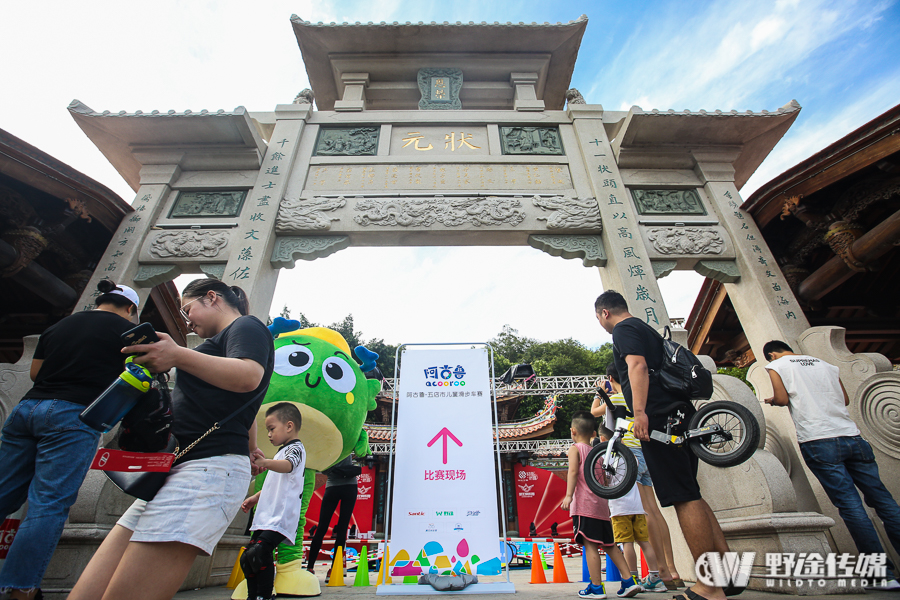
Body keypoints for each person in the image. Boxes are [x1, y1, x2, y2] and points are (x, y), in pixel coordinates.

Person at [69, 279, 275, 600]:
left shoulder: (246, 326)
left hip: (207, 472)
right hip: (178, 469)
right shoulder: (219, 343)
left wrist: (177, 354)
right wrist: (251, 450)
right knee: (88, 592)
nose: (187, 320)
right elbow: (247, 406)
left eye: (188, 309)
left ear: (212, 297)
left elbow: (248, 376)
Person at [0, 279, 139, 600]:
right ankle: (21, 589)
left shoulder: (60, 326)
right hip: (74, 416)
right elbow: (131, 375)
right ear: (130, 308)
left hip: (26, 410)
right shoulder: (127, 333)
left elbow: (36, 372)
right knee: (48, 504)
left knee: (4, 493)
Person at [595, 290, 729, 600]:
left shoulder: (624, 330)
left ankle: (709, 587)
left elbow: (637, 366)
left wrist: (639, 412)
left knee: (682, 496)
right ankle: (726, 575)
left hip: (659, 419)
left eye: (599, 319)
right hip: (680, 414)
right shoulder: (645, 329)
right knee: (692, 493)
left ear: (604, 313)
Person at [763, 340, 900, 589]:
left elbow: (783, 399)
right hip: (852, 437)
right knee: (884, 502)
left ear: (771, 354)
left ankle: (882, 575)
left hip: (818, 440)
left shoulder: (777, 366)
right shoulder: (825, 364)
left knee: (852, 508)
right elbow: (844, 398)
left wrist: (773, 400)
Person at [592, 365, 679, 592]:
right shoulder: (640, 397)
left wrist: (600, 392)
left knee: (646, 513)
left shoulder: (619, 398)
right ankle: (670, 569)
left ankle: (658, 572)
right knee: (654, 510)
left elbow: (594, 413)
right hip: (648, 453)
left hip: (631, 456)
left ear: (611, 379)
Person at [561, 411, 643, 599]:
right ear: (593, 434)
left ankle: (596, 587)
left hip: (584, 506)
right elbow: (605, 481)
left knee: (590, 545)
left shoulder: (575, 449)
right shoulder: (598, 453)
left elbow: (573, 472)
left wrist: (568, 496)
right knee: (610, 545)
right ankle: (629, 581)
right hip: (601, 506)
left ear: (573, 431)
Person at [241, 402, 306, 600]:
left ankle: (264, 596)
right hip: (266, 515)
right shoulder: (280, 452)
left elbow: (288, 466)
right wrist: (255, 497)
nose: (269, 434)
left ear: (289, 426)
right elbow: (274, 485)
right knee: (249, 558)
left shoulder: (296, 449)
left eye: (271, 429)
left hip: (281, 516)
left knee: (259, 553)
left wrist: (265, 462)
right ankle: (254, 596)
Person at [305, 454, 360, 574]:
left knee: (322, 527)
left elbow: (323, 469)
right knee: (342, 527)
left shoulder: (329, 445)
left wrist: (334, 470)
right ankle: (335, 568)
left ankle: (310, 567)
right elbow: (361, 453)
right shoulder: (349, 441)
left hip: (333, 486)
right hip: (350, 485)